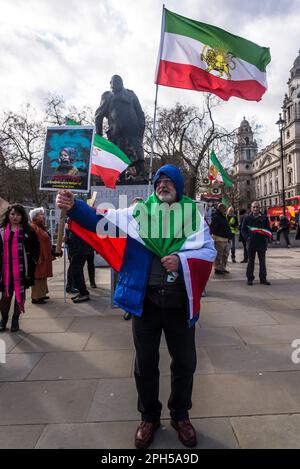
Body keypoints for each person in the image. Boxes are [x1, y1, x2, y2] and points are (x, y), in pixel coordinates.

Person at [56, 164, 216, 449]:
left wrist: (181, 260)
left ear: (179, 188)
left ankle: (181, 415)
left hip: (179, 303)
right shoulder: (136, 214)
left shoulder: (194, 217)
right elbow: (99, 219)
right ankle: (149, 417)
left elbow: (208, 251)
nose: (162, 185)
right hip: (146, 302)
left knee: (185, 362)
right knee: (145, 364)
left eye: (169, 181)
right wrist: (74, 205)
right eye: (158, 182)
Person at [95, 75, 146, 180]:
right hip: (116, 135)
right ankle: (120, 179)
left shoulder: (131, 94)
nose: (117, 83)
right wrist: (99, 136)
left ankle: (141, 176)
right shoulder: (107, 96)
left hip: (134, 133)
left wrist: (141, 128)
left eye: (119, 80)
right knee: (118, 160)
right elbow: (98, 115)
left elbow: (140, 113)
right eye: (115, 81)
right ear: (110, 84)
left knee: (139, 158)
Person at [0, 204, 39, 332]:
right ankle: (4, 320)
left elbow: (35, 248)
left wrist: (33, 260)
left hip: (22, 270)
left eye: (18, 214)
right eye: (12, 214)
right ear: (8, 215)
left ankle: (15, 320)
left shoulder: (28, 231)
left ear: (22, 216)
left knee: (19, 295)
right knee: (5, 297)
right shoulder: (1, 230)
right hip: (5, 271)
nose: (15, 217)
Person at [241, 201, 272, 286]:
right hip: (251, 242)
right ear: (251, 208)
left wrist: (266, 233)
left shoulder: (264, 218)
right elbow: (243, 230)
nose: (255, 209)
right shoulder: (247, 218)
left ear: (260, 208)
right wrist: (247, 238)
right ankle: (250, 279)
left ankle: (263, 279)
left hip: (261, 242)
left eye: (257, 207)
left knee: (262, 262)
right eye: (254, 207)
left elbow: (268, 229)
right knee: (251, 261)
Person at [29, 208, 54, 304]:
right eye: (40, 214)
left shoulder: (40, 227)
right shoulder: (33, 227)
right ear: (35, 217)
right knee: (38, 276)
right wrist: (36, 256)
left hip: (44, 255)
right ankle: (35, 297)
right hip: (39, 256)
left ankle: (41, 294)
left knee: (43, 275)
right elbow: (33, 244)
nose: (43, 216)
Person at [64, 227, 95, 303]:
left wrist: (68, 239)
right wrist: (67, 240)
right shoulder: (73, 224)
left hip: (80, 251)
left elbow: (77, 238)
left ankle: (84, 293)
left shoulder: (78, 223)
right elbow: (72, 238)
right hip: (78, 251)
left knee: (77, 273)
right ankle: (82, 292)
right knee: (77, 272)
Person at [210, 203, 232, 274]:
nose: (225, 210)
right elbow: (212, 227)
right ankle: (217, 268)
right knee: (219, 254)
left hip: (225, 238)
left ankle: (222, 267)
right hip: (219, 238)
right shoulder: (216, 216)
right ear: (220, 208)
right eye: (224, 208)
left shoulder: (223, 216)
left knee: (226, 254)